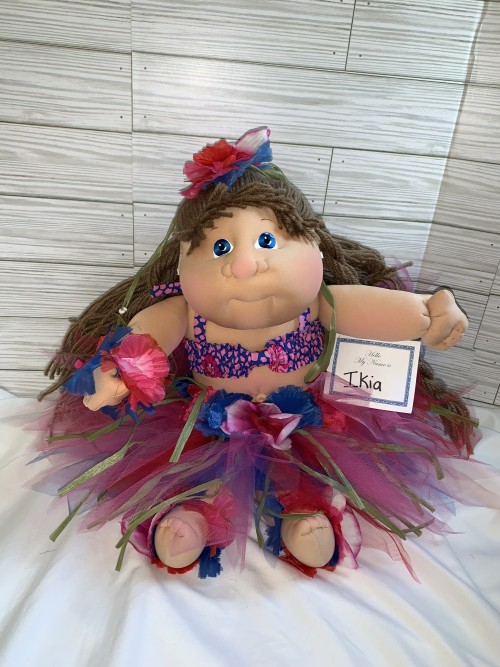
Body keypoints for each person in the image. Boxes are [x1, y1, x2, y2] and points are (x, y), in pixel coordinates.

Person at [36, 127, 497, 579]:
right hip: (211, 423)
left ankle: (307, 515)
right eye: (220, 247)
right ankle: (192, 515)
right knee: (195, 472)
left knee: (306, 471)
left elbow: (370, 310)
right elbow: (147, 335)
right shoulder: (185, 311)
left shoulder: (320, 303)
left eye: (267, 241)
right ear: (181, 261)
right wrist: (120, 370)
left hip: (306, 421)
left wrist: (426, 315)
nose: (243, 265)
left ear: (315, 246)